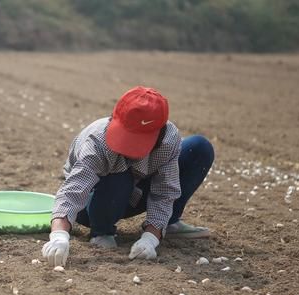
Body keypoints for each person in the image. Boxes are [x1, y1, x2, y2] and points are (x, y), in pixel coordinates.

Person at [41, 86, 214, 267]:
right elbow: (74, 191)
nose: (129, 148)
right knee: (119, 175)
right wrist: (59, 236)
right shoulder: (97, 141)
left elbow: (165, 191)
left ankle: (166, 225)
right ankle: (102, 232)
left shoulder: (168, 140)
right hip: (93, 201)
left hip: (134, 192)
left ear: (159, 133)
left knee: (198, 148)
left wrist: (150, 238)